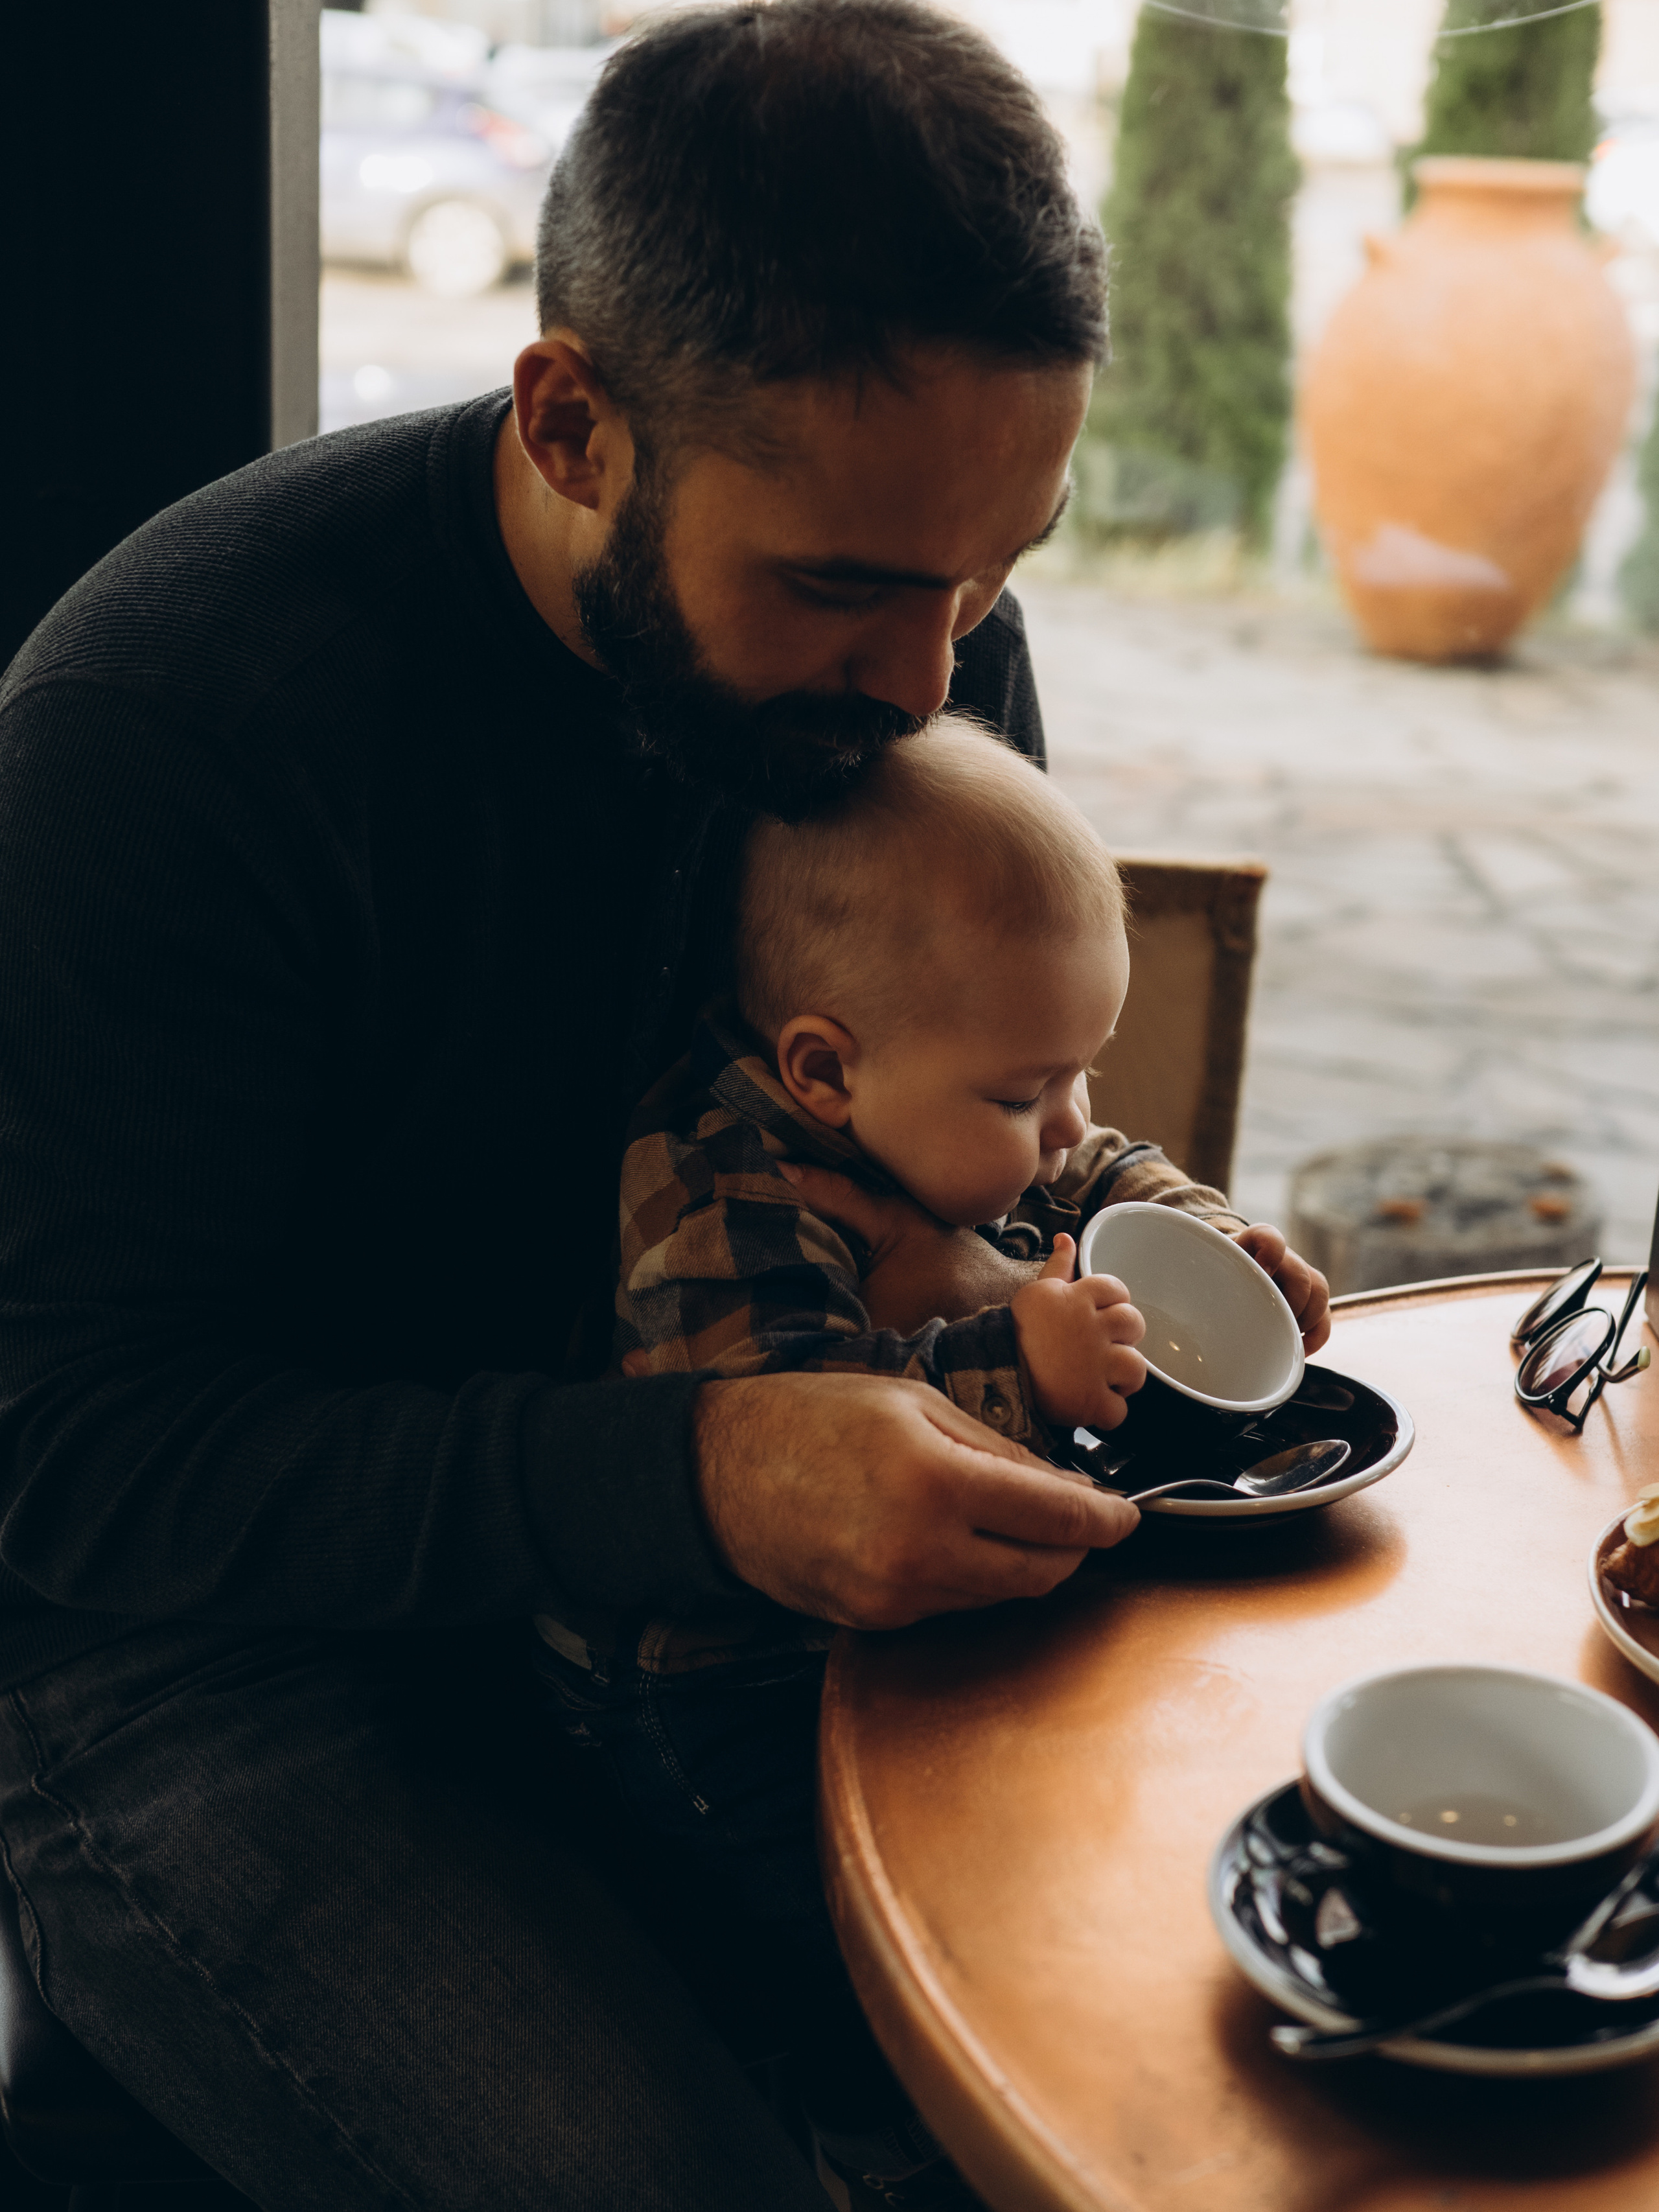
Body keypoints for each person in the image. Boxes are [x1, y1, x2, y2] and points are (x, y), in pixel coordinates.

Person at [0, 4, 1327, 2206]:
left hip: (702, 1572)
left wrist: (1092, 1236)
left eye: (1000, 569)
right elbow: (62, 1460)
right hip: (217, 1667)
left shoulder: (906, 634)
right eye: (845, 584)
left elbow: (922, 1112)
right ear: (573, 416)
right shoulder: (164, 744)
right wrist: (694, 1476)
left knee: (1175, 2054)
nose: (937, 682)